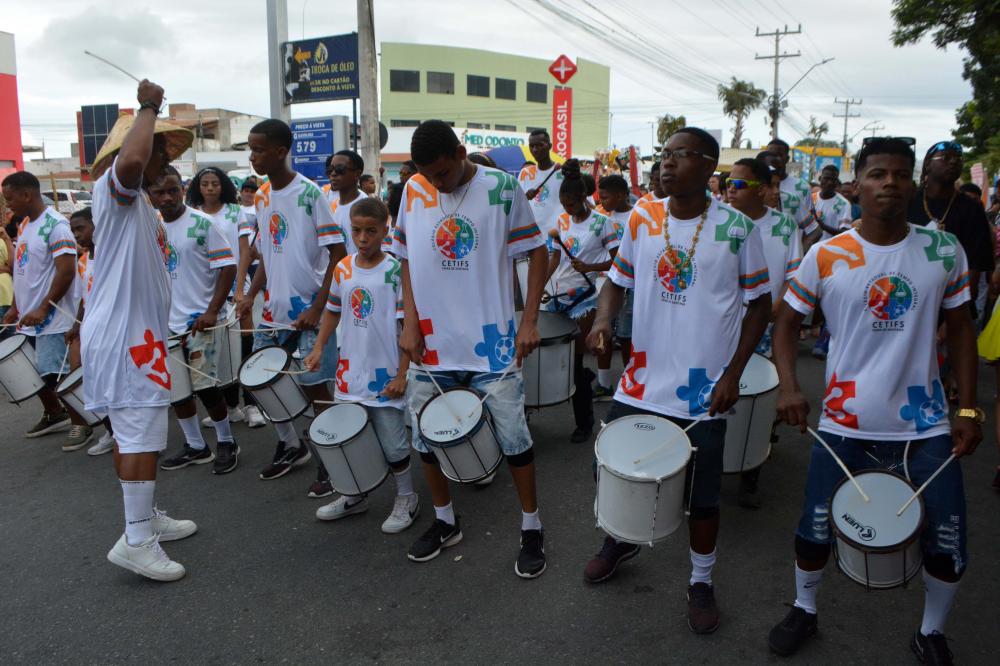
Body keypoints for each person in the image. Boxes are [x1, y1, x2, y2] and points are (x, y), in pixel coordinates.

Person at [768, 137, 981, 664]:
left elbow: (960, 330)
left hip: (925, 424)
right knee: (814, 529)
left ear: (911, 185)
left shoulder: (942, 249)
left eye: (900, 175)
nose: (890, 182)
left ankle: (930, 631)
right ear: (856, 184)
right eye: (878, 174)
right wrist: (789, 385)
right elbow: (787, 324)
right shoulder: (827, 254)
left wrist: (970, 409)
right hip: (845, 423)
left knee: (947, 540)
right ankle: (805, 608)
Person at [583, 128, 771, 634]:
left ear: (709, 166)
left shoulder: (736, 228)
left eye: (679, 156)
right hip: (641, 381)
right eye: (663, 156)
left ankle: (702, 579)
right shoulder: (644, 216)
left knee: (702, 496)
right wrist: (603, 321)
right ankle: (620, 540)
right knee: (613, 466)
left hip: (703, 388)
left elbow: (760, 304)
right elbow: (616, 281)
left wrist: (734, 373)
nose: (666, 164)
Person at [393, 120, 549, 577]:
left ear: (461, 151)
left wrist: (530, 320)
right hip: (433, 342)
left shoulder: (501, 188)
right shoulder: (413, 191)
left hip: (492, 343)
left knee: (515, 439)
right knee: (426, 436)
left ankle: (531, 526)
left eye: (441, 173)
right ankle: (445, 521)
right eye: (426, 175)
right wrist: (409, 323)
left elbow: (536, 251)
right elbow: (403, 257)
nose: (435, 183)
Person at [83, 80, 197, 581]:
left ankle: (143, 518)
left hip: (134, 338)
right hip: (127, 340)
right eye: (155, 150)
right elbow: (130, 163)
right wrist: (148, 105)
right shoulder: (116, 190)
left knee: (134, 437)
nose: (161, 161)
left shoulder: (137, 205)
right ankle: (136, 540)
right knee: (140, 437)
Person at [236, 119, 346, 497]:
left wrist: (318, 307)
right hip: (273, 313)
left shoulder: (310, 194)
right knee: (266, 386)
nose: (253, 157)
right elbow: (267, 251)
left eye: (259, 149)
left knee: (317, 391)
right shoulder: (263, 196)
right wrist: (253, 293)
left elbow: (338, 255)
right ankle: (291, 444)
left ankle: (332, 460)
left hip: (308, 315)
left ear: (281, 151)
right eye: (250, 149)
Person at [304, 197, 419, 532]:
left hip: (384, 372)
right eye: (356, 230)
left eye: (371, 231)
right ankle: (354, 495)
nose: (363, 237)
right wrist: (319, 346)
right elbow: (333, 310)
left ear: (386, 230)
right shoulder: (343, 268)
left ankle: (407, 496)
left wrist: (402, 373)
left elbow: (406, 327)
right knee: (351, 435)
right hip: (350, 371)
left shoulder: (397, 271)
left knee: (393, 440)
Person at [724, 158, 803, 509]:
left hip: (767, 325)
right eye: (728, 182)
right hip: (724, 326)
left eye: (738, 184)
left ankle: (751, 465)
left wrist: (775, 311)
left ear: (762, 189)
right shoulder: (721, 223)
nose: (730, 189)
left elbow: (793, 277)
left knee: (760, 398)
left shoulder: (785, 227)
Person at [149, 168, 239, 475]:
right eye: (160, 192)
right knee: (177, 390)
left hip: (200, 320)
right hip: (167, 323)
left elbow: (227, 266)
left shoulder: (203, 223)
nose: (167, 197)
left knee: (205, 388)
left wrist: (212, 310)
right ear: (151, 195)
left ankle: (226, 441)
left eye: (173, 190)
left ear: (183, 189)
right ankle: (196, 445)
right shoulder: (153, 228)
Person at [1, 171, 79, 444]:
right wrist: (15, 307)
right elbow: (23, 271)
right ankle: (55, 413)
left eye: (10, 198)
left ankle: (81, 422)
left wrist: (44, 308)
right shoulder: (24, 226)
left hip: (53, 318)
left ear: (27, 195)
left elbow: (66, 272)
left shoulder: (56, 225)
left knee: (57, 373)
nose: (8, 205)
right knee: (40, 372)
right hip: (29, 317)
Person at [546, 168, 619, 443]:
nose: (569, 209)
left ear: (584, 197)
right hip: (560, 294)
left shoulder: (603, 224)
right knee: (557, 357)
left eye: (573, 203)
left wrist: (590, 266)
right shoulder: (561, 221)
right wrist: (541, 285)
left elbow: (617, 262)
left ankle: (584, 423)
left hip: (587, 296)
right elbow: (554, 259)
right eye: (564, 204)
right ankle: (586, 380)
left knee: (575, 359)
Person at [186, 166, 250, 426]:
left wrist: (239, 288)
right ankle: (226, 406)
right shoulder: (192, 214)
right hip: (204, 292)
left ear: (223, 185)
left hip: (234, 287)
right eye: (205, 184)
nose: (210, 188)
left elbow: (244, 252)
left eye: (215, 183)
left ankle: (247, 404)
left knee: (240, 346)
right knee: (212, 355)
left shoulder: (235, 212)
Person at [908, 140, 993, 314]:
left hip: (954, 299)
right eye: (945, 157)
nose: (954, 162)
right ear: (927, 165)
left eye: (958, 158)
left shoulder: (971, 208)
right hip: (910, 292)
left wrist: (964, 306)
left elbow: (975, 261)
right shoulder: (908, 201)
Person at [65, 207, 117, 456]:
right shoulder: (83, 261)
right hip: (92, 337)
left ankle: (131, 438)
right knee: (96, 389)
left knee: (118, 388)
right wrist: (76, 326)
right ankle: (112, 433)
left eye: (80, 228)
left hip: (116, 336)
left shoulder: (113, 256)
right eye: (73, 230)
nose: (76, 234)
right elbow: (84, 299)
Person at [595, 174, 633, 397]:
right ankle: (603, 382)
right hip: (606, 282)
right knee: (603, 331)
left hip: (631, 284)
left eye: (606, 198)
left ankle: (630, 382)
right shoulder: (601, 216)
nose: (602, 202)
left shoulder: (638, 215)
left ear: (621, 195)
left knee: (628, 337)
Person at [761, 142, 821, 250]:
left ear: (787, 158)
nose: (775, 158)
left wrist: (799, 255)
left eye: (778, 155)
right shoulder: (747, 197)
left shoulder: (801, 187)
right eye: (770, 154)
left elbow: (813, 228)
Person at [518, 129, 564, 236]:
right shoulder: (525, 173)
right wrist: (525, 196)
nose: (535, 149)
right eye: (532, 146)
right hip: (532, 235)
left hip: (557, 235)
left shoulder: (562, 172)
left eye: (539, 145)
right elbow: (517, 202)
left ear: (549, 146)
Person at [328, 150, 367, 254]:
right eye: (331, 169)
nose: (333, 174)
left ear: (357, 174)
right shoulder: (331, 206)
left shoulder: (366, 207)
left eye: (340, 169)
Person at [811, 165, 853, 240]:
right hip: (809, 249)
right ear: (820, 179)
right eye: (826, 178)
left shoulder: (844, 204)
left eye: (833, 180)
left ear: (837, 182)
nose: (829, 182)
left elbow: (845, 233)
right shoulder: (811, 199)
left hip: (830, 249)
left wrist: (823, 226)